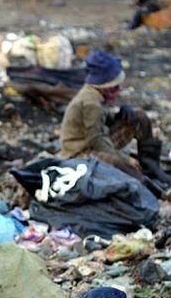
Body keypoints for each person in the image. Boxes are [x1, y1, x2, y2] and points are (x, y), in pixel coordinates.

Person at [59, 50, 171, 196]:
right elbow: (95, 140)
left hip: (95, 140)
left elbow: (102, 122)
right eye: (115, 87)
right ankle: (149, 187)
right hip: (79, 151)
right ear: (105, 86)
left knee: (139, 117)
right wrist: (124, 159)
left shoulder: (97, 94)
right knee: (118, 162)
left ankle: (151, 168)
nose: (118, 91)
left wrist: (119, 115)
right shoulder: (90, 102)